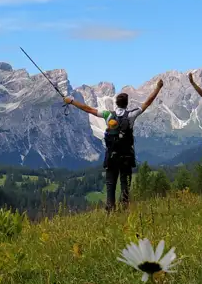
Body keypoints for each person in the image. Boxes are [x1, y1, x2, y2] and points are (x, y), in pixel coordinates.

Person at [64, 79, 164, 211]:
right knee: (125, 185)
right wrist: (158, 88)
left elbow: (87, 109)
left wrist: (71, 101)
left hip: (111, 157)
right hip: (127, 157)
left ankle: (110, 210)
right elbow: (148, 102)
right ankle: (124, 209)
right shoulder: (131, 115)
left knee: (110, 184)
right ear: (126, 104)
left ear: (116, 103)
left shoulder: (108, 115)